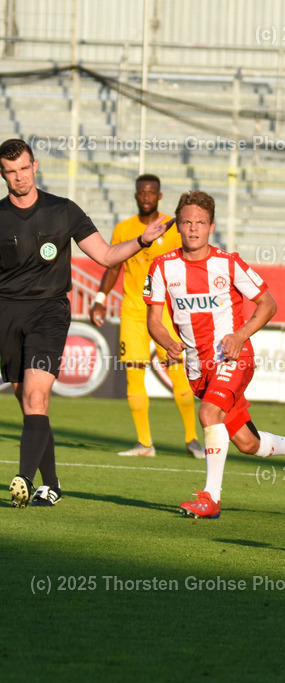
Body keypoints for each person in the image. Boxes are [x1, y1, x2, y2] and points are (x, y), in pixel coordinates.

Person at [1, 138, 171, 507]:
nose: (19, 178)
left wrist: (142, 241)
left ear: (35, 167)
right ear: (3, 174)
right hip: (6, 315)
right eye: (11, 172)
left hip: (48, 313)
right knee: (27, 401)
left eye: (24, 169)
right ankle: (53, 484)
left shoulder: (63, 211)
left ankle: (23, 479)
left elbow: (108, 256)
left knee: (36, 395)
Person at [144, 190, 285, 519]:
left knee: (209, 416)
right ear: (177, 227)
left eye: (200, 222)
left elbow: (268, 304)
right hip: (198, 369)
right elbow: (153, 321)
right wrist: (168, 342)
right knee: (246, 443)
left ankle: (211, 499)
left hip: (233, 358)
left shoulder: (228, 263)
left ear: (211, 226)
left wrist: (240, 336)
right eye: (186, 222)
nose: (193, 228)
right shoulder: (161, 267)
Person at [90, 174, 203, 459]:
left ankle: (192, 438)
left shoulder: (173, 226)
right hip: (133, 311)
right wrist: (101, 298)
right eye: (142, 192)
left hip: (166, 311)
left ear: (159, 196)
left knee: (178, 372)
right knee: (134, 374)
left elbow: (191, 259)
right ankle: (144, 443)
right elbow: (113, 265)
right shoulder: (124, 229)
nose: (146, 197)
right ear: (136, 195)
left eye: (151, 192)